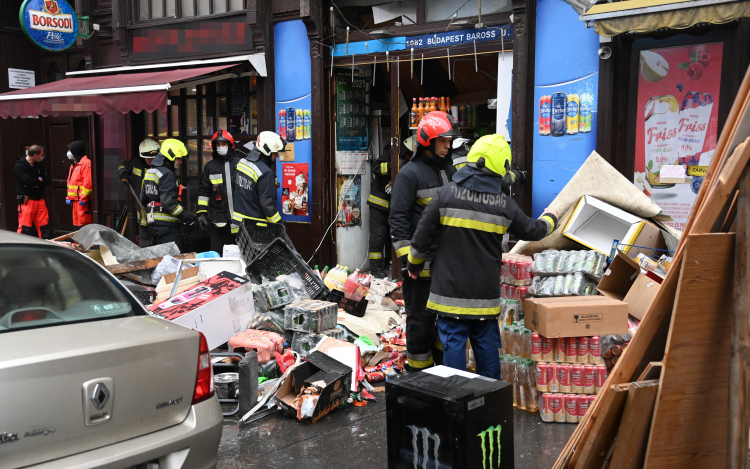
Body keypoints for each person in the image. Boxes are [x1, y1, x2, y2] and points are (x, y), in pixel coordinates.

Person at [406, 134, 559, 379]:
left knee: (453, 348)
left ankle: (457, 405)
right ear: (501, 166)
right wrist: (551, 217)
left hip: (449, 295)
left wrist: (413, 264)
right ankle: (489, 403)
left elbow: (421, 235)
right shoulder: (504, 204)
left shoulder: (446, 194)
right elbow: (534, 230)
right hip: (483, 299)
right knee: (487, 348)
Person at [389, 111, 461, 371]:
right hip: (419, 270)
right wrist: (410, 264)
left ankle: (441, 370)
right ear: (427, 141)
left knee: (446, 322)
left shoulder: (451, 169)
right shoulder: (410, 175)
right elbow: (398, 220)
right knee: (420, 322)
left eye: (449, 140)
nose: (447, 146)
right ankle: (419, 374)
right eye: (442, 141)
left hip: (447, 267)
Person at [367, 136, 415, 278]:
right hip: (379, 204)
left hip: (394, 207)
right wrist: (392, 165)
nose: (410, 157)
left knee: (393, 237)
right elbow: (376, 168)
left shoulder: (409, 164)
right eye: (409, 153)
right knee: (378, 237)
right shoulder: (391, 154)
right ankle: (376, 270)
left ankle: (391, 264)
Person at [140, 139, 196, 250]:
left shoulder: (150, 171)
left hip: (153, 226)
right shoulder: (167, 174)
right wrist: (186, 217)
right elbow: (168, 202)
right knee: (171, 261)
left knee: (159, 260)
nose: (180, 162)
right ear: (170, 156)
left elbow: (143, 198)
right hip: (167, 227)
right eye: (178, 158)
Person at [197, 129, 244, 254]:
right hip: (219, 221)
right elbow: (204, 191)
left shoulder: (240, 164)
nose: (221, 147)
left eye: (224, 144)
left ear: (230, 145)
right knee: (218, 255)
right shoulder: (210, 167)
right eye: (218, 145)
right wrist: (201, 212)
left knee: (240, 256)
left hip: (240, 221)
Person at [232, 131, 285, 226]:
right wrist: (279, 224)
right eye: (275, 152)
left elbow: (234, 189)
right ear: (267, 151)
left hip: (238, 225)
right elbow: (267, 206)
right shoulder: (265, 173)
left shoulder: (242, 163)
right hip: (257, 230)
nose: (276, 155)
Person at [118, 139, 160, 247]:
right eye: (149, 158)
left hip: (157, 211)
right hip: (142, 210)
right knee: (144, 239)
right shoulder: (135, 163)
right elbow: (122, 165)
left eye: (154, 157)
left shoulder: (160, 167)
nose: (152, 160)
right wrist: (123, 174)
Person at [15, 145, 50, 238]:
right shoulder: (20, 166)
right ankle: (21, 248)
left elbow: (45, 180)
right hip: (27, 201)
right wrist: (38, 181)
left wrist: (35, 183)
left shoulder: (38, 166)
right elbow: (27, 182)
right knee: (25, 228)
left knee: (44, 226)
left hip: (39, 200)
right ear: (35, 155)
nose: (43, 157)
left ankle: (46, 247)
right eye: (42, 155)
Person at [65, 141, 93, 229]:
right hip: (75, 202)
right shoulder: (74, 165)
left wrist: (83, 198)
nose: (69, 152)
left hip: (83, 202)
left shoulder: (86, 163)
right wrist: (68, 197)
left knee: (84, 226)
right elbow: (71, 183)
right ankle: (78, 243)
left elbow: (88, 184)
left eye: (70, 150)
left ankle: (85, 244)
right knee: (76, 226)